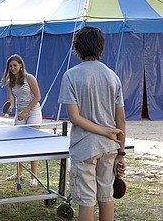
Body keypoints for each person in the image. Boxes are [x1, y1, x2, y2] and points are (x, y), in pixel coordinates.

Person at [58, 26, 126, 221]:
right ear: (100, 47)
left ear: (77, 48)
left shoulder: (70, 76)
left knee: (86, 201)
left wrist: (104, 131)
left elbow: (74, 117)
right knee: (106, 197)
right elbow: (120, 120)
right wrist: (121, 152)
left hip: (85, 148)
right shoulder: (112, 76)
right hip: (110, 147)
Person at [0, 54, 42, 187]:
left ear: (21, 65)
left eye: (15, 65)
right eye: (10, 66)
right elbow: (12, 99)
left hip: (33, 112)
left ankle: (34, 176)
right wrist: (11, 106)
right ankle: (19, 173)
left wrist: (26, 111)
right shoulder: (9, 82)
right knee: (19, 144)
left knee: (32, 144)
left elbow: (37, 97)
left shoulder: (29, 78)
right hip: (20, 113)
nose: (12, 68)